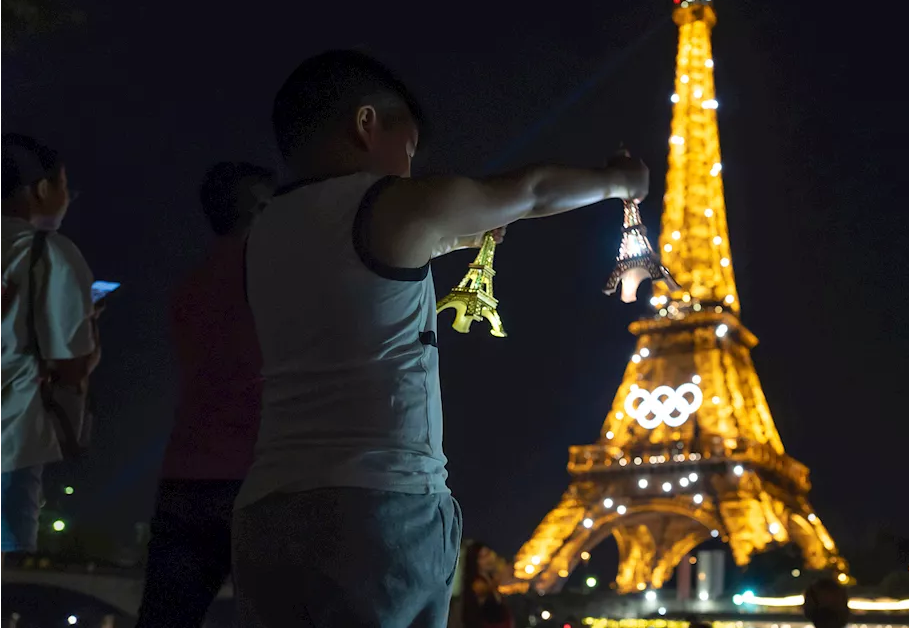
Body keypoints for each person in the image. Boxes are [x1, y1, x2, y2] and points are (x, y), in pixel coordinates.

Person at [231, 49, 649, 627]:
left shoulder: (264, 231)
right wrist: (619, 181)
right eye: (409, 144)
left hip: (265, 511)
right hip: (377, 509)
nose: (410, 163)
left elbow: (359, 262)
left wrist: (454, 236)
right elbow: (531, 191)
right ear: (366, 124)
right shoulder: (388, 203)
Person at [135, 162, 275, 625]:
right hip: (257, 477)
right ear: (260, 208)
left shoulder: (188, 287)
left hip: (185, 473)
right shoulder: (278, 279)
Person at [0, 134, 99, 573]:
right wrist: (89, 325)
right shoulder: (47, 253)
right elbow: (71, 363)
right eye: (66, 188)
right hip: (9, 440)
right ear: (41, 189)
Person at [461, 542, 513, 628]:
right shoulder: (477, 583)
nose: (489, 558)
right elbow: (483, 589)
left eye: (488, 553)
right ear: (475, 561)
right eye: (483, 557)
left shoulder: (490, 579)